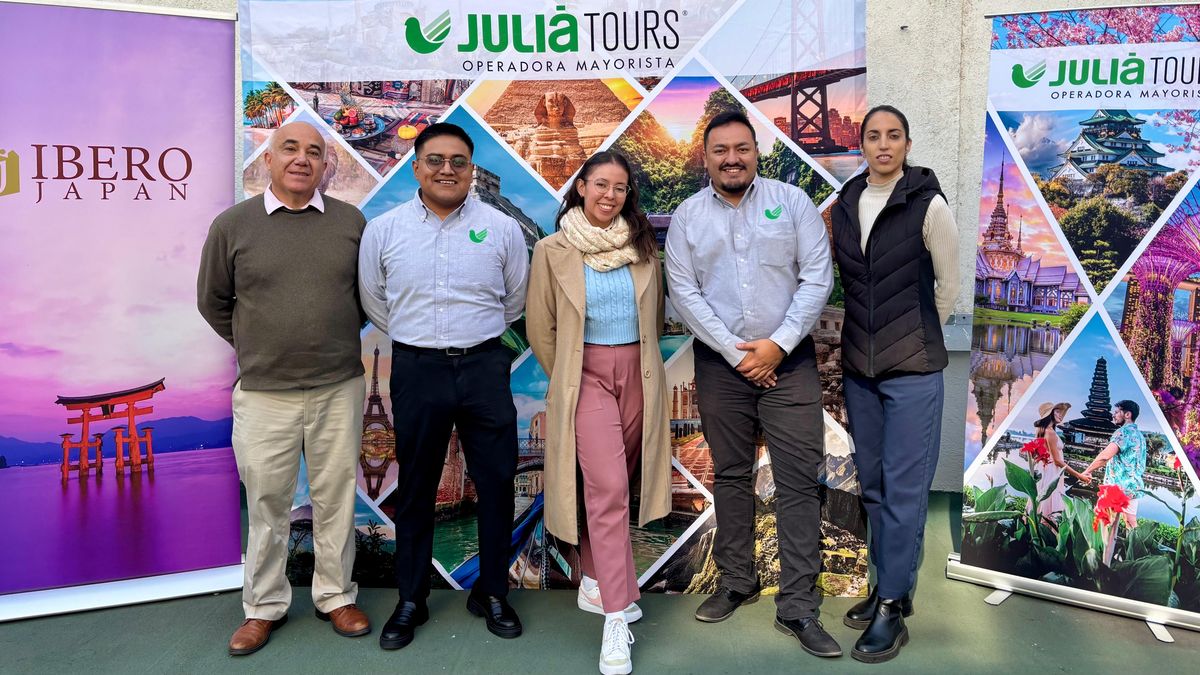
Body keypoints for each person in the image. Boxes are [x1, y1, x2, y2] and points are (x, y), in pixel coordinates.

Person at [665, 111, 839, 658]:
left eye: (742, 148)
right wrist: (736, 355)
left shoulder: (793, 203)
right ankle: (736, 581)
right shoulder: (689, 217)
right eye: (720, 150)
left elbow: (818, 276)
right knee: (732, 476)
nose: (732, 158)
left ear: (755, 151)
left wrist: (778, 345)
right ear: (707, 156)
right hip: (722, 366)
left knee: (797, 482)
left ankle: (798, 607)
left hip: (789, 363)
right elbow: (684, 292)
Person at [197, 120, 371, 656]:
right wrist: (256, 347)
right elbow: (213, 301)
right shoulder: (232, 225)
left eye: (314, 152)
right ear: (268, 161)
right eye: (289, 149)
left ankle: (336, 596)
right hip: (264, 391)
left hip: (338, 387)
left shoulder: (351, 223)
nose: (302, 159)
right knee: (268, 503)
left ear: (326, 167)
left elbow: (365, 301)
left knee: (336, 497)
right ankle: (263, 607)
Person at [358, 122, 529, 650]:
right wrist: (422, 339)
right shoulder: (383, 230)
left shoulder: (502, 230)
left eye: (458, 160)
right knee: (416, 488)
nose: (447, 169)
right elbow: (374, 301)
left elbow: (514, 301)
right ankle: (411, 598)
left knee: (497, 482)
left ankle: (493, 593)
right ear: (415, 167)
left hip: (483, 366)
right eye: (435, 159)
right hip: (417, 368)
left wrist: (469, 339)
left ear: (471, 169)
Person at [526, 151, 672, 675]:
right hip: (583, 375)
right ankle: (615, 617)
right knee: (608, 484)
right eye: (601, 185)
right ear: (582, 187)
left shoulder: (644, 250)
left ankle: (593, 579)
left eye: (620, 188)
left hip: (639, 375)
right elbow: (540, 327)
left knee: (613, 483)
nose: (610, 195)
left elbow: (654, 318)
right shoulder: (552, 250)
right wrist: (569, 373)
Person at [829, 104, 959, 663]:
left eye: (894, 136)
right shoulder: (846, 204)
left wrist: (912, 336)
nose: (883, 145)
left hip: (914, 371)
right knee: (876, 487)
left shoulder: (928, 205)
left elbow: (948, 288)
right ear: (861, 144)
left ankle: (890, 610)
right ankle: (892, 586)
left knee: (906, 491)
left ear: (907, 143)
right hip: (861, 369)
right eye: (873, 136)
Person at [1079, 399, 1147, 565]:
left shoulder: (1122, 433)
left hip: (1116, 489)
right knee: (1131, 523)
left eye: (1117, 412)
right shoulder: (1140, 436)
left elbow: (1105, 456)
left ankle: (1102, 563)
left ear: (1127, 414)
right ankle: (1134, 561)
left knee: (1103, 523)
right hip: (1133, 488)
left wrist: (1087, 471)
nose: (1113, 415)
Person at [1027, 402, 1087, 523]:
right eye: (1057, 411)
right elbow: (1057, 461)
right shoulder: (1050, 432)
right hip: (1052, 470)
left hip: (1046, 468)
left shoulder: (1043, 431)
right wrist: (1079, 475)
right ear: (1050, 414)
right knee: (1051, 498)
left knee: (1043, 498)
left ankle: (1037, 527)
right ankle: (1048, 529)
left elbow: (1039, 455)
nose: (1061, 415)